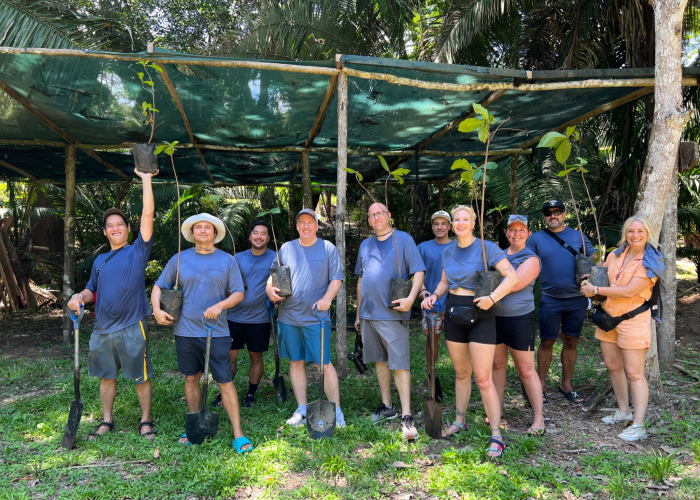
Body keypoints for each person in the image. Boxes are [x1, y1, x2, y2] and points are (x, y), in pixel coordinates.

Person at [67, 169, 157, 441]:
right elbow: (90, 291)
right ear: (105, 232)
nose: (115, 227)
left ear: (128, 229)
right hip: (103, 329)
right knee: (107, 377)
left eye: (120, 223)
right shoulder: (100, 261)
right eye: (110, 225)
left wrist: (146, 179)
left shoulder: (138, 251)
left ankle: (145, 420)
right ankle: (107, 420)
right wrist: (77, 298)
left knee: (140, 376)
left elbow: (148, 215)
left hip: (132, 325)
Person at [422, 205, 518, 458]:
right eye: (457, 220)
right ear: (452, 224)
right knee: (461, 372)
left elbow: (512, 276)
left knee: (483, 378)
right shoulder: (448, 250)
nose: (460, 223)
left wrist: (493, 297)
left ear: (473, 223)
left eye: (466, 219)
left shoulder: (487, 248)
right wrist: (433, 296)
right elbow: (444, 282)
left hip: (481, 312)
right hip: (454, 312)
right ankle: (459, 421)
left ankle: (496, 435)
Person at [152, 213, 253, 453]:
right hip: (185, 331)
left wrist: (220, 305)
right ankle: (193, 426)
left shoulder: (227, 261)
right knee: (191, 378)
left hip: (216, 331)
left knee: (225, 380)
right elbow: (158, 286)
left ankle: (238, 433)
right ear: (192, 233)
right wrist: (156, 310)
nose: (203, 231)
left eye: (208, 227)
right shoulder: (179, 259)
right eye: (199, 227)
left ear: (215, 233)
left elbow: (238, 293)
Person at [580, 214, 663, 441]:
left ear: (648, 234)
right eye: (631, 231)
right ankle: (623, 411)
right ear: (625, 233)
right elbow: (606, 277)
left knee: (635, 372)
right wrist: (592, 278)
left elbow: (629, 291)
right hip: (608, 316)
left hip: (633, 319)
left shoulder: (652, 260)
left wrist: (595, 291)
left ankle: (638, 424)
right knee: (613, 365)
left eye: (640, 232)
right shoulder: (616, 255)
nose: (635, 235)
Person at [266, 209, 344, 428]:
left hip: (316, 318)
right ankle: (301, 409)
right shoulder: (286, 248)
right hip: (289, 317)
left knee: (324, 364)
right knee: (295, 361)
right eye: (302, 222)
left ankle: (336, 410)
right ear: (297, 226)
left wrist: (327, 298)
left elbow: (336, 279)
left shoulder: (328, 248)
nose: (306, 226)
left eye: (310, 222)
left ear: (317, 226)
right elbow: (272, 278)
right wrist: (270, 291)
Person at [355, 202, 426, 441]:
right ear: (368, 220)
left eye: (380, 213)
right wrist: (358, 313)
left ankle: (406, 414)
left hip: (393, 313)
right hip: (368, 313)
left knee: (400, 363)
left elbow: (418, 272)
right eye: (371, 214)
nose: (375, 217)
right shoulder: (365, 244)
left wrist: (411, 299)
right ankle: (387, 407)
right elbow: (361, 280)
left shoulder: (403, 240)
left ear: (389, 215)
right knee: (380, 361)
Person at [526, 200, 596, 404]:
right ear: (544, 216)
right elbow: (523, 260)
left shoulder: (578, 236)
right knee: (547, 341)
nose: (552, 215)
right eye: (548, 212)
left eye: (557, 212)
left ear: (564, 214)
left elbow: (595, 258)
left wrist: (599, 277)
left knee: (571, 341)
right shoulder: (536, 239)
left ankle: (566, 384)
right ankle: (540, 385)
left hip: (577, 299)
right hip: (550, 298)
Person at [211, 220, 277, 409]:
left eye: (263, 233)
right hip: (232, 318)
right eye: (255, 233)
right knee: (228, 357)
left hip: (259, 319)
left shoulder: (276, 259)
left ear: (268, 237)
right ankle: (224, 392)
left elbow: (281, 282)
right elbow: (224, 282)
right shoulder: (236, 258)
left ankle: (250, 393)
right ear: (249, 236)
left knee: (256, 357)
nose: (259, 237)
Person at [491, 215, 545, 435]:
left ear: (528, 234)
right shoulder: (499, 255)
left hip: (519, 319)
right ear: (506, 233)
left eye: (521, 230)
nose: (516, 234)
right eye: (512, 230)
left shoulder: (531, 259)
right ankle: (496, 411)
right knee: (497, 364)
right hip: (495, 317)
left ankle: (539, 418)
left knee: (526, 369)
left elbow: (513, 284)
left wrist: (492, 288)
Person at [418, 210, 455, 395]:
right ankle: (430, 374)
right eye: (436, 224)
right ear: (432, 227)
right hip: (433, 303)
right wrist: (423, 291)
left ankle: (461, 375)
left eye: (443, 223)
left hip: (456, 302)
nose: (440, 227)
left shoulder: (458, 246)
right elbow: (417, 273)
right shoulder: (423, 248)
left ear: (450, 226)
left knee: (457, 341)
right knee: (433, 340)